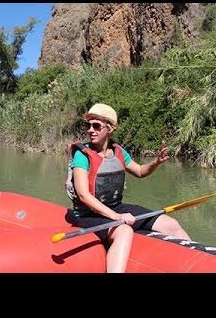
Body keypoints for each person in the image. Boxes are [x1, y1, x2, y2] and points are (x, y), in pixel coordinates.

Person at [65, 103, 191, 273]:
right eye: (88, 125)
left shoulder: (119, 152)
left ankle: (197, 264)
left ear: (110, 128)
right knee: (123, 231)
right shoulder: (82, 154)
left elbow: (139, 171)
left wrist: (156, 162)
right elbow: (83, 195)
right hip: (88, 214)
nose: (90, 130)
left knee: (171, 224)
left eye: (96, 125)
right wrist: (116, 217)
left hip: (116, 207)